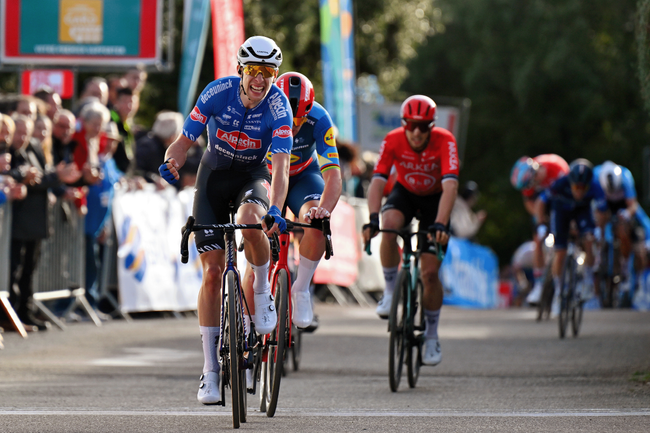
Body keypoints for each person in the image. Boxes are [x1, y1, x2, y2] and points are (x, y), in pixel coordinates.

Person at [158, 36, 293, 405]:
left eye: (268, 73)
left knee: (251, 220)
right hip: (213, 177)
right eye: (253, 71)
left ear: (275, 75)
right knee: (213, 272)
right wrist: (173, 160)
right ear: (241, 71)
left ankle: (262, 289)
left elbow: (280, 168)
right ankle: (210, 370)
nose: (260, 80)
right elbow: (184, 141)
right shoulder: (217, 91)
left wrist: (277, 208)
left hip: (253, 176)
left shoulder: (280, 108)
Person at [362, 95, 459, 366]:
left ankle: (431, 335)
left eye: (423, 126)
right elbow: (378, 180)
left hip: (435, 201)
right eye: (411, 125)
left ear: (431, 126)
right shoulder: (393, 139)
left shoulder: (445, 140)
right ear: (404, 124)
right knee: (389, 224)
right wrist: (372, 218)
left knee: (429, 273)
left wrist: (440, 222)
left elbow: (451, 186)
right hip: (405, 193)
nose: (417, 132)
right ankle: (391, 291)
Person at [242, 71, 342, 330]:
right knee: (255, 241)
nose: (294, 126)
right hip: (266, 176)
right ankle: (245, 324)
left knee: (317, 221)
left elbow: (333, 176)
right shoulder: (258, 110)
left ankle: (301, 288)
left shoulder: (320, 118)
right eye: (289, 118)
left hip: (302, 178)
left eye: (301, 120)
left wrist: (324, 210)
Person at [7, 114, 81, 330]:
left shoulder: (35, 148)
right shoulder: (11, 152)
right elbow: (24, 177)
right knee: (15, 270)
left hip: (37, 220)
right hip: (19, 222)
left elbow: (42, 174)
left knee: (30, 269)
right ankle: (12, 313)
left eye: (25, 133)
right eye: (18, 132)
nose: (22, 137)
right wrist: (53, 176)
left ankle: (25, 312)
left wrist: (56, 176)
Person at [535, 159, 607, 315]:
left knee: (588, 239)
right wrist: (540, 224)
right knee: (560, 251)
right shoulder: (560, 184)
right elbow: (541, 202)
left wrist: (598, 230)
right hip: (561, 211)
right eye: (576, 187)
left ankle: (587, 280)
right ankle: (559, 293)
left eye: (583, 188)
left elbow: (602, 211)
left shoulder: (595, 186)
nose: (579, 192)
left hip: (582, 211)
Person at [510, 154, 569, 305]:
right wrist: (540, 220)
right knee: (538, 238)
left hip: (562, 200)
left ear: (536, 174)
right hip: (542, 205)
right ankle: (539, 283)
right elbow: (530, 203)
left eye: (531, 184)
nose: (530, 188)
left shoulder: (557, 168)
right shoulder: (528, 183)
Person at [593, 161, 650, 296]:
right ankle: (599, 253)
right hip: (603, 204)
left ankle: (625, 265)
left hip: (622, 205)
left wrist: (626, 214)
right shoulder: (595, 177)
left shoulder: (625, 177)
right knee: (599, 222)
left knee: (624, 229)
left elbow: (633, 206)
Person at [135, 111, 184, 188]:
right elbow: (138, 171)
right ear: (172, 135)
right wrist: (154, 179)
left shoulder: (155, 145)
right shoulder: (150, 147)